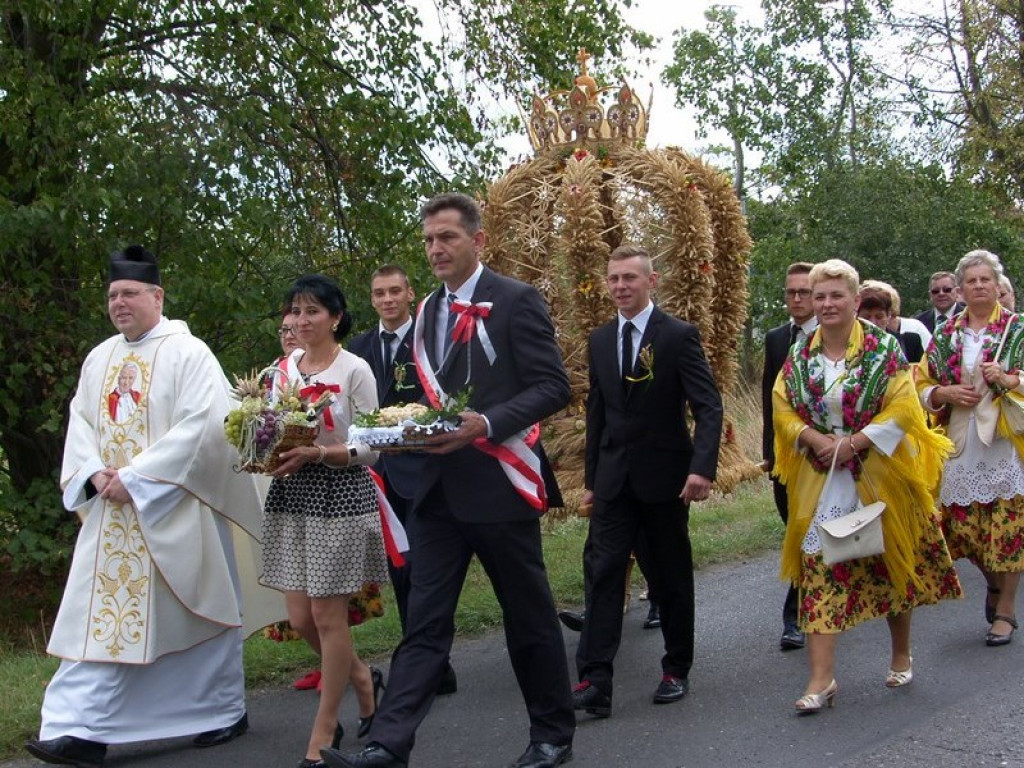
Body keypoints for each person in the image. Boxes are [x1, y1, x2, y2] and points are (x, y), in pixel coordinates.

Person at [322, 192, 574, 768]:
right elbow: (424, 402)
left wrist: (486, 422)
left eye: (448, 238)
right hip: (435, 493)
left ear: (477, 241)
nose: (436, 248)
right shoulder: (427, 312)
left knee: (528, 616)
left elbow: (552, 387)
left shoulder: (516, 300)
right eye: (429, 240)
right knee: (425, 624)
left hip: (498, 486)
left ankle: (552, 734)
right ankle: (388, 745)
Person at [25, 246, 266, 767]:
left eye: (130, 293)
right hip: (114, 516)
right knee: (101, 620)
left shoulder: (189, 352)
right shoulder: (101, 357)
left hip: (176, 507)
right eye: (113, 295)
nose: (119, 303)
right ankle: (78, 727)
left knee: (198, 614)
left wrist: (136, 477)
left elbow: (206, 427)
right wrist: (93, 473)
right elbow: (82, 422)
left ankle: (221, 710)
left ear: (158, 296)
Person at [773, 258, 961, 714]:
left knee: (889, 563)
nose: (826, 303)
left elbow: (903, 407)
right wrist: (815, 439)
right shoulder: (800, 353)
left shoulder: (884, 349)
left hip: (879, 474)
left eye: (837, 295)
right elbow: (782, 405)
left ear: (856, 300)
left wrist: (857, 442)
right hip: (821, 480)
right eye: (819, 296)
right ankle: (822, 680)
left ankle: (900, 653)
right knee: (818, 573)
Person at [572, 244, 723, 718]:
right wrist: (593, 480)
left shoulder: (678, 336)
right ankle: (595, 680)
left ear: (650, 281)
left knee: (669, 576)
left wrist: (701, 468)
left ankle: (676, 667)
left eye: (629, 278)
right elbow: (597, 413)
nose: (620, 287)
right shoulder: (599, 341)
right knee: (602, 575)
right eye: (614, 279)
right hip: (614, 483)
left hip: (666, 481)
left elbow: (709, 405)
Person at [262, 274, 391, 767]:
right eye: (294, 311)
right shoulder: (283, 369)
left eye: (312, 311)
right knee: (299, 618)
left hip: (339, 494)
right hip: (292, 494)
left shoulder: (355, 369)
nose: (300, 321)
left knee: (327, 616)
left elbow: (373, 447)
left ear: (336, 317)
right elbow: (271, 426)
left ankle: (324, 729)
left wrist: (320, 451)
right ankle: (362, 678)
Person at [347, 266, 458, 696]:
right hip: (375, 474)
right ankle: (428, 661)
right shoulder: (358, 349)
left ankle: (430, 662)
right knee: (399, 571)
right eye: (379, 293)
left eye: (396, 291)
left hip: (423, 469)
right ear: (372, 299)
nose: (388, 299)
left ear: (410, 294)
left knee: (423, 568)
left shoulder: (430, 344)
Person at [917, 250, 1024, 646]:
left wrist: (1011, 380)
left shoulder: (1017, 329)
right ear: (960, 290)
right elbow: (921, 385)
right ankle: (994, 586)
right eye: (972, 281)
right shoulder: (945, 335)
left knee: (1008, 527)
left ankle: (1007, 611)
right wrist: (943, 392)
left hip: (1004, 441)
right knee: (965, 530)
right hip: (961, 441)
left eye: (986, 280)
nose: (979, 286)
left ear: (998, 286)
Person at [762, 261, 817, 651]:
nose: (796, 299)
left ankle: (796, 614)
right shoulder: (777, 338)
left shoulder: (838, 336)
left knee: (807, 530)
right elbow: (770, 399)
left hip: (826, 454)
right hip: (786, 455)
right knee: (793, 528)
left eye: (804, 292)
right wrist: (768, 452)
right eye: (790, 292)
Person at [858, 285, 925, 362]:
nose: (872, 323)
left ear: (888, 315)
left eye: (879, 317)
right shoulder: (845, 345)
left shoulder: (910, 343)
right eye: (866, 318)